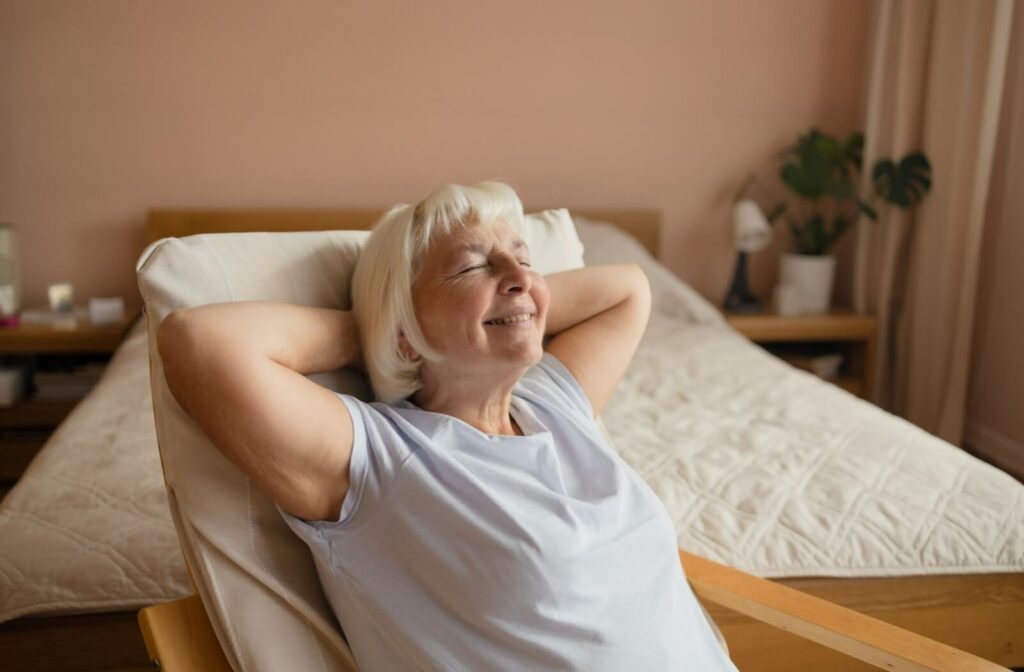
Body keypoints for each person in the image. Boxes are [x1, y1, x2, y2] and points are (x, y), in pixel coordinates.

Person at [157, 181, 738, 671]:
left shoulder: (554, 404)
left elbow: (630, 288)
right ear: (406, 330)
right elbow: (197, 342)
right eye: (472, 266)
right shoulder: (383, 459)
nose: (517, 273)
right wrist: (376, 330)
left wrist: (520, 298)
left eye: (524, 257)